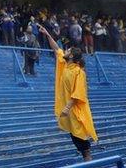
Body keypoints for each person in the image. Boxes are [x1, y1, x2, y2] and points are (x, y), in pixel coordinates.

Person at [40, 25, 98, 162]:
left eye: (68, 50)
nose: (65, 50)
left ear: (71, 55)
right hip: (69, 111)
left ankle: (88, 161)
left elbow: (78, 93)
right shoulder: (66, 64)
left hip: (76, 110)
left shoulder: (78, 72)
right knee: (75, 136)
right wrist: (47, 34)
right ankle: (86, 159)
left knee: (82, 138)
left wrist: (67, 108)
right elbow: (56, 49)